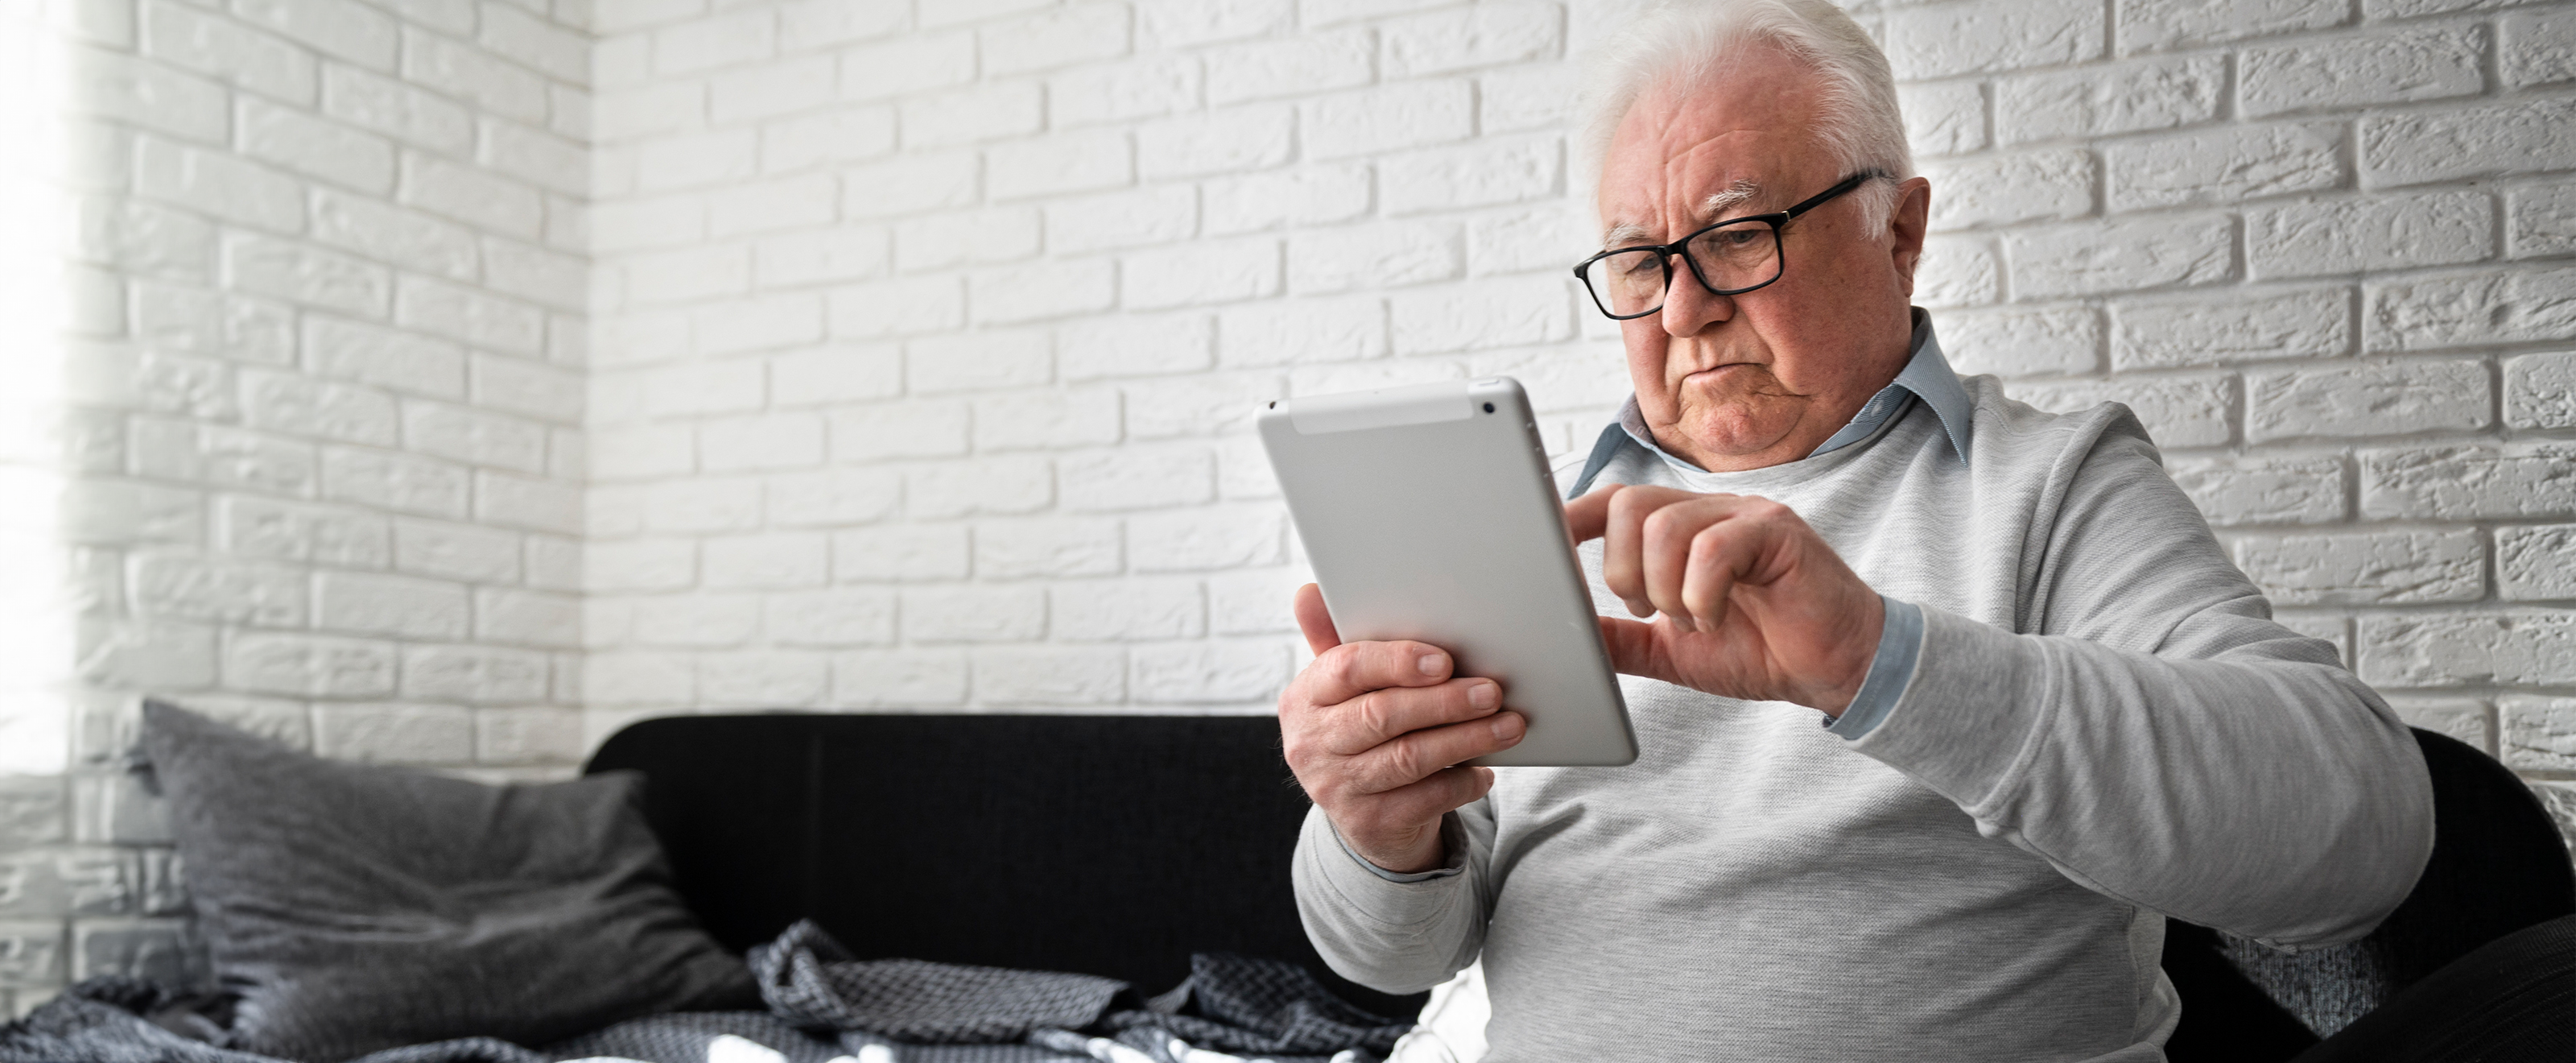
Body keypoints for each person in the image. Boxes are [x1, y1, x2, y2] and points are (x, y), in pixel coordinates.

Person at [1278, 2, 2436, 1060]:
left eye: (1738, 236)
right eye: (1640, 259)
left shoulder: (2048, 480)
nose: (1682, 308)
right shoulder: (1539, 524)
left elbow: (2364, 843)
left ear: (1900, 230)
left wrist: (1882, 665)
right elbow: (1394, 958)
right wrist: (1377, 830)